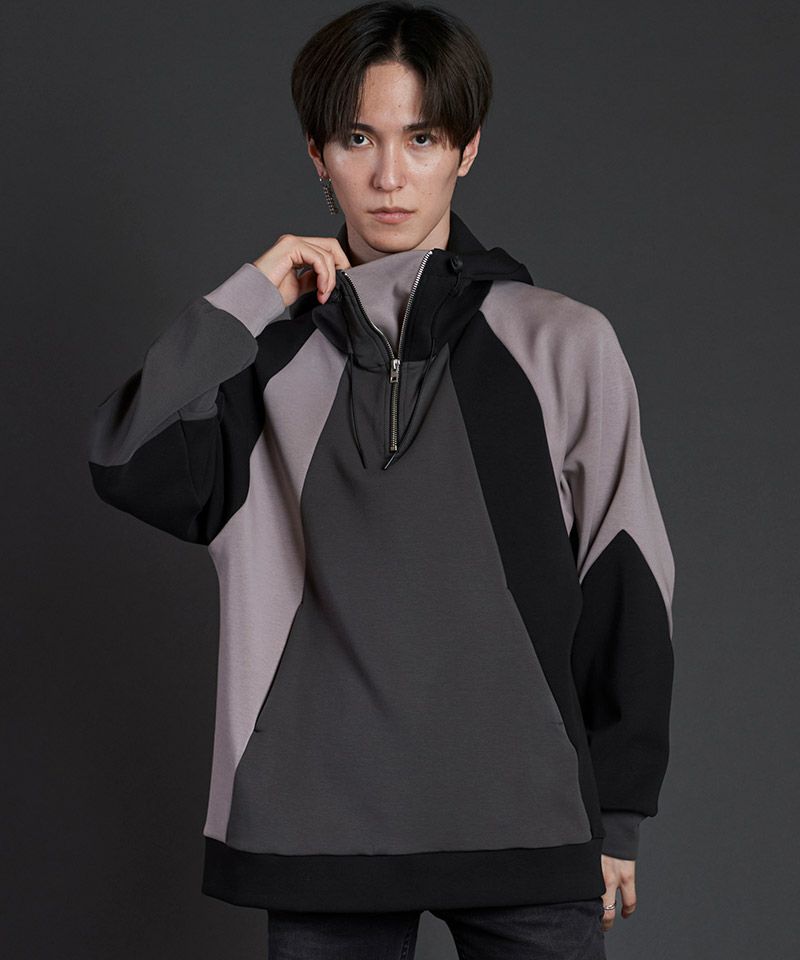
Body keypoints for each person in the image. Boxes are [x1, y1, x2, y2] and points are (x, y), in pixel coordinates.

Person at [86, 2, 675, 957]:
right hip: (321, 828)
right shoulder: (262, 359)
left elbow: (626, 572)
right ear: (317, 155)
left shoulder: (562, 343)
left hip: (526, 817)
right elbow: (124, 456)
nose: (390, 176)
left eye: (422, 138)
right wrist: (247, 299)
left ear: (467, 149)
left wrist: (619, 814)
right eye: (358, 138)